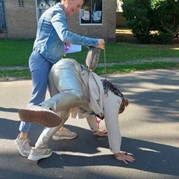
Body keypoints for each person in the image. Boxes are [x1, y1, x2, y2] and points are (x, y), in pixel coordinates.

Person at [15, 0, 105, 158]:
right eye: (77, 5)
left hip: (52, 61)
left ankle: (59, 129)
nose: (77, 10)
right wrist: (93, 42)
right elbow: (64, 35)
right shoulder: (56, 12)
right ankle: (22, 138)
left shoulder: (59, 14)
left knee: (60, 98)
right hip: (41, 60)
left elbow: (60, 40)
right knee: (38, 99)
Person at [18, 58, 135, 164]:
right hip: (68, 67)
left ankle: (39, 149)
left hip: (55, 72)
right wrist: (117, 151)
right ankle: (43, 107)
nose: (102, 115)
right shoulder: (115, 99)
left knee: (60, 115)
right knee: (75, 95)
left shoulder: (101, 98)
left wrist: (96, 130)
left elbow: (91, 112)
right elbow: (112, 124)